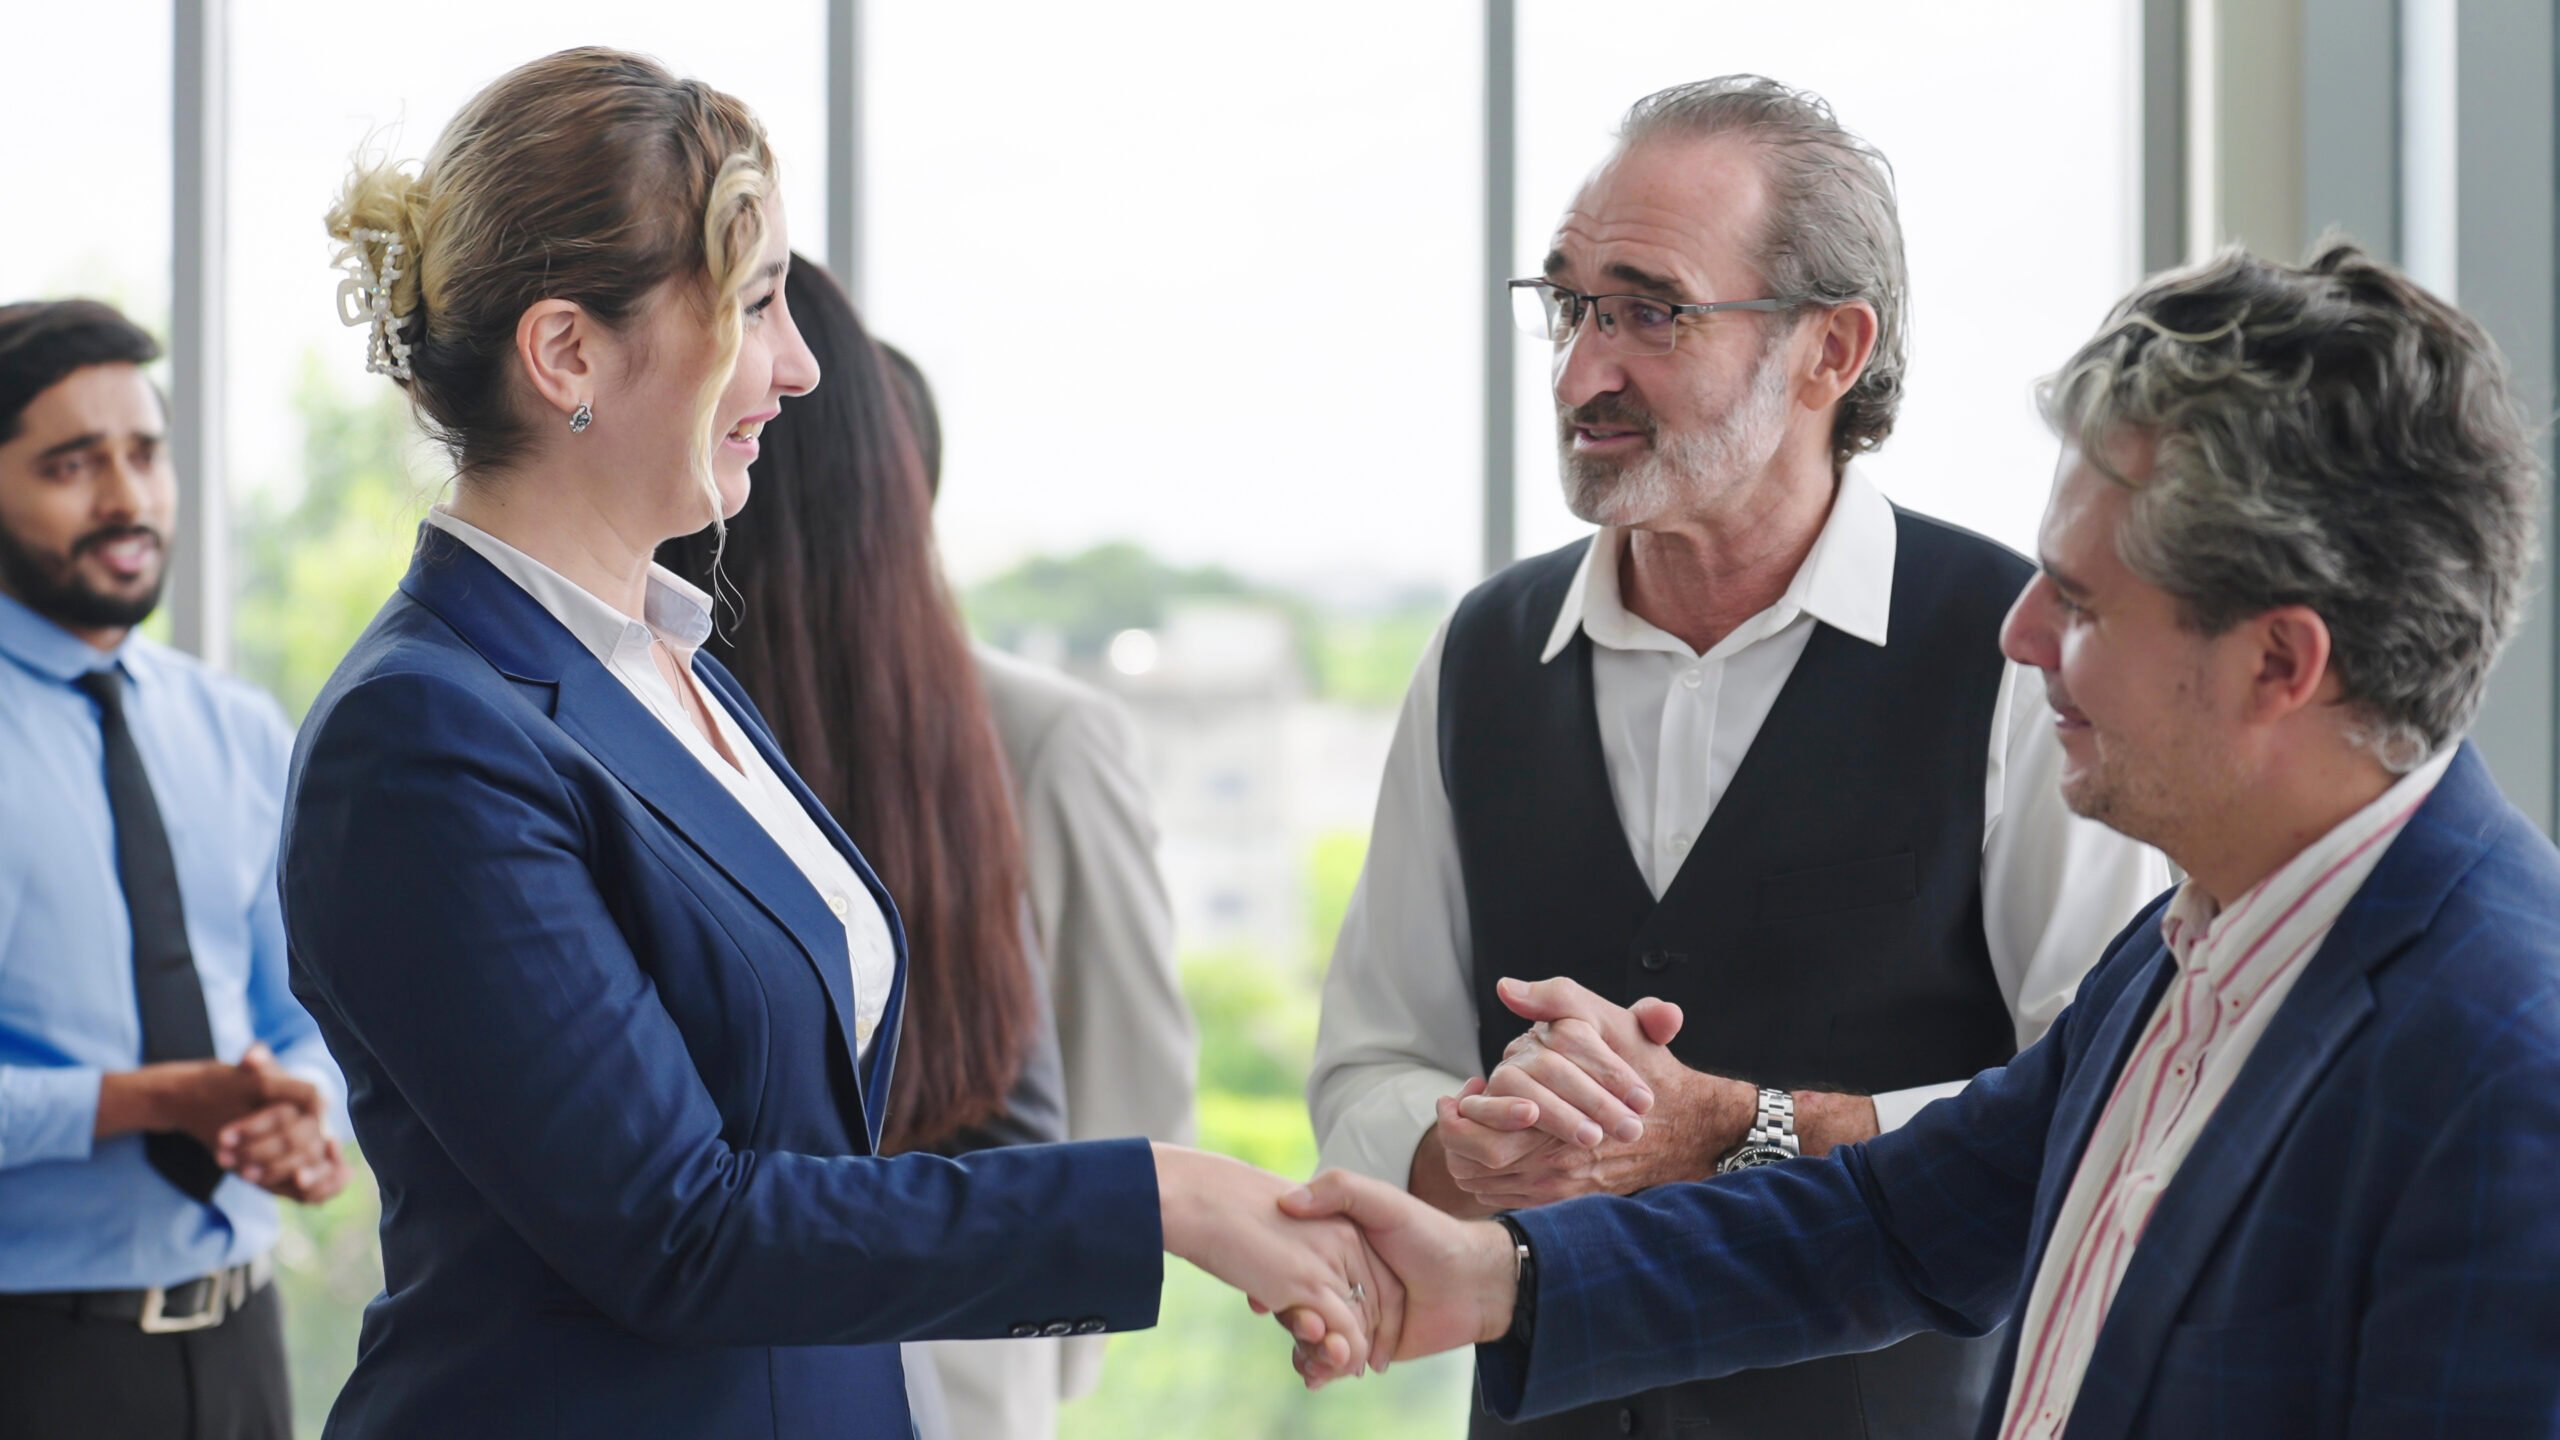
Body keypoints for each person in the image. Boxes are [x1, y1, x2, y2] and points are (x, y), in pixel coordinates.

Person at [281, 48, 1390, 1440]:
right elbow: (681, 1231)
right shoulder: (427, 734)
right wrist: (1158, 1196)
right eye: (754, 307)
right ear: (569, 352)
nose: (799, 368)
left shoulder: (678, 676)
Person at [1288, 240, 2560, 1438]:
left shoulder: (2506, 1072)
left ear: (2280, 660)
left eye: (2080, 605)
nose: (2017, 638)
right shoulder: (2183, 952)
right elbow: (1893, 1225)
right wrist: (1491, 1282)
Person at [1308, 74, 2167, 1440]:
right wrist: (1456, 1145)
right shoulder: (1482, 652)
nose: (1582, 370)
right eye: (1571, 305)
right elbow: (1369, 1062)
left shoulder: (2014, 655)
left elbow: (2112, 1093)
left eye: (1650, 309)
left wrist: (1745, 1123)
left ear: (1831, 348)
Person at [665, 271, 1200, 1440]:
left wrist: (1034, 1351)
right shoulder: (654, 716)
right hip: (863, 1349)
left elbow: (1133, 1095)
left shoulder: (1037, 734)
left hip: (950, 1347)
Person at [0, 299, 350, 1439]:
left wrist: (303, 1116)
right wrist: (151, 1103)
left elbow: (305, 1015)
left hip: (240, 1349)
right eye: (70, 464)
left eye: (144, 455)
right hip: (30, 1355)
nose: (126, 499)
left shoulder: (240, 730)